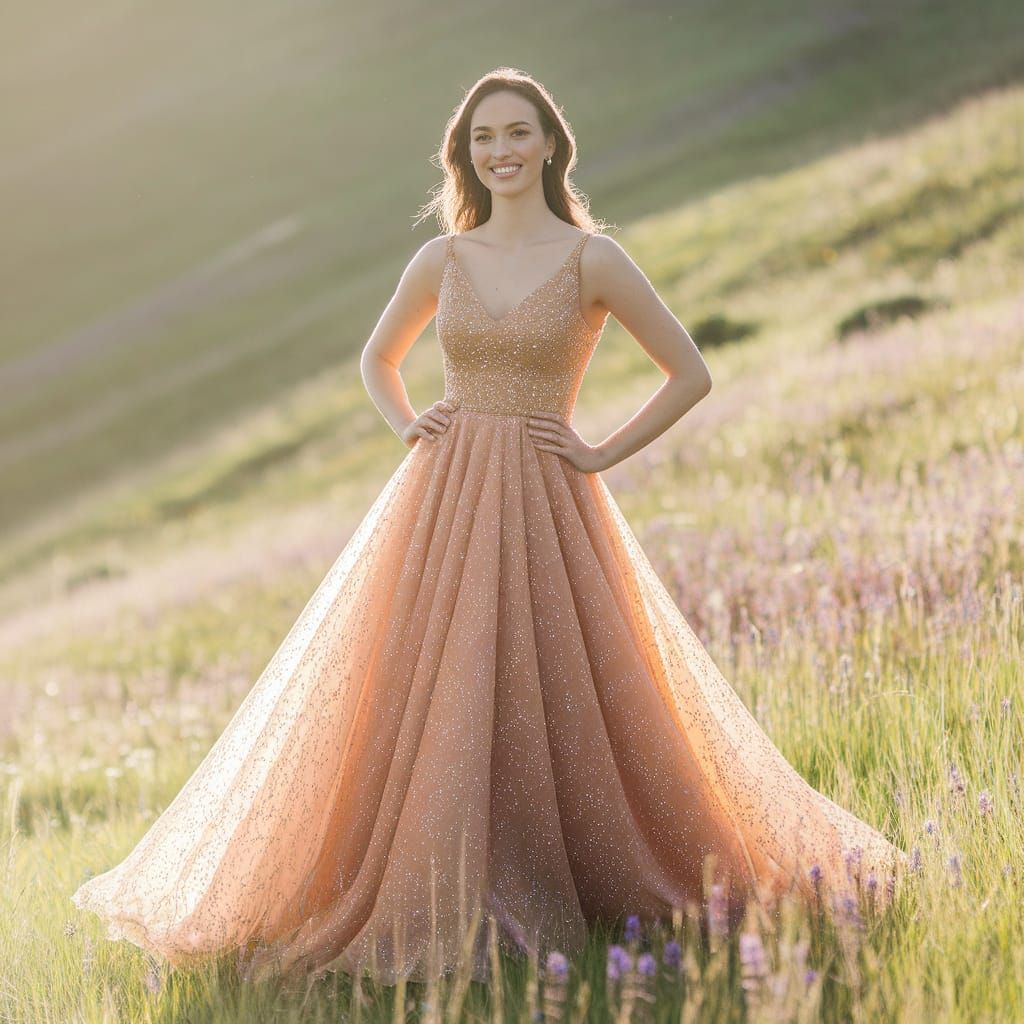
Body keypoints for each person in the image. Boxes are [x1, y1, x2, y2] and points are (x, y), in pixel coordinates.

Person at [71, 66, 908, 988]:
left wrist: (599, 452)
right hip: (441, 499)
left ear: (551, 144)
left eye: (517, 133)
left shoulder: (594, 260)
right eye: (483, 139)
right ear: (464, 155)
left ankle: (572, 879)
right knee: (419, 685)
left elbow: (690, 372)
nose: (500, 152)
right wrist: (406, 424)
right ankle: (424, 882)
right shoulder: (444, 259)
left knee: (564, 685)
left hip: (551, 502)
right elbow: (378, 358)